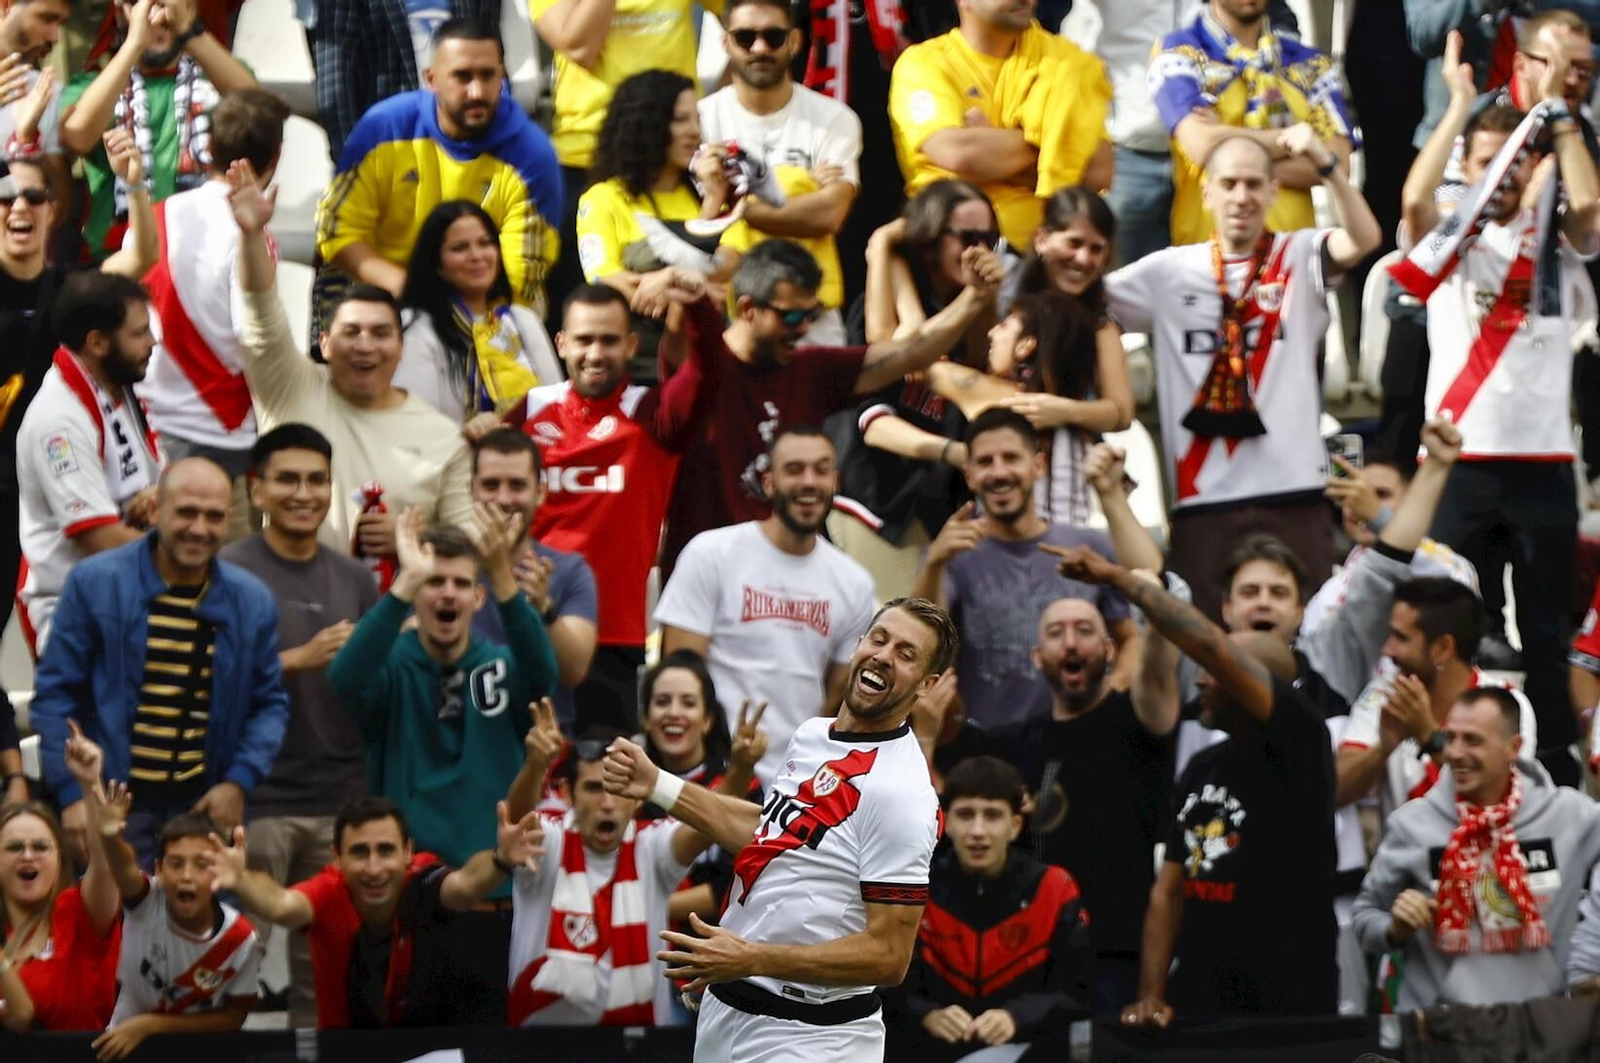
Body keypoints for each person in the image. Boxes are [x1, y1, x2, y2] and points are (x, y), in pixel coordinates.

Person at [600, 597, 959, 1061]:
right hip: (728, 1010)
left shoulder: (903, 793)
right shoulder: (813, 734)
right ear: (858, 645)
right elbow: (770, 834)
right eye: (879, 638)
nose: (884, 656)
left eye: (906, 654)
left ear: (927, 685)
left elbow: (890, 956)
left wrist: (753, 958)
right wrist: (658, 784)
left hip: (813, 1036)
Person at [1394, 32, 1600, 786]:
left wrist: (1562, 120)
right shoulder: (1450, 244)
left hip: (1543, 464)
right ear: (1468, 172)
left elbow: (1591, 209)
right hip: (1458, 465)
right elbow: (1415, 199)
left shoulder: (1561, 244)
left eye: (1515, 161)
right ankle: (1447, 772)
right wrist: (1454, 108)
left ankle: (1552, 776)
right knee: (1453, 635)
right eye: (1487, 164)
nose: (1502, 175)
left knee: (1545, 636)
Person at [1104, 126, 1383, 622]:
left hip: (1293, 494)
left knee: (1306, 644)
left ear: (1275, 191)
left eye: (1255, 184)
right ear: (1206, 191)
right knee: (1208, 651)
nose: (1242, 197)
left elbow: (1364, 238)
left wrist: (1326, 167)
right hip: (1203, 500)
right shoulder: (1168, 273)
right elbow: (1081, 303)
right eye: (1229, 183)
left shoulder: (1299, 255)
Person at [1049, 547, 1339, 1021]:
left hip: (1287, 1004)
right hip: (1200, 998)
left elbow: (1211, 646)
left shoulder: (1300, 741)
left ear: (1251, 682)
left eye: (1216, 672)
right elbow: (1169, 890)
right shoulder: (1202, 765)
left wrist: (1120, 579)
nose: (1200, 680)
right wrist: (1151, 994)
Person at [661, 236, 1005, 577]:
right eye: (792, 317)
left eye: (812, 314)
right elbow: (680, 346)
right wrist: (680, 293)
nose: (805, 328)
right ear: (749, 309)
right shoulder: (704, 367)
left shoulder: (811, 368)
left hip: (783, 582)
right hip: (703, 579)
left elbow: (913, 353)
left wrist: (974, 297)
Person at [31, 458, 289, 869]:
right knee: (113, 927)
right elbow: (55, 696)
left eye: (214, 517)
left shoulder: (251, 600)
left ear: (229, 519)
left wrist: (239, 782)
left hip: (202, 804)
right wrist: (72, 795)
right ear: (156, 511)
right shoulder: (96, 583)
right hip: (112, 801)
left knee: (206, 929)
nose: (199, 529)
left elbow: (269, 703)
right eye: (186, 511)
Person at [229, 158, 475, 564]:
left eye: (381, 334)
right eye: (351, 332)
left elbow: (467, 541)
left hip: (399, 616)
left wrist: (410, 541)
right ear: (324, 343)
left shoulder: (441, 437)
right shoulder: (291, 387)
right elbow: (261, 314)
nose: (365, 346)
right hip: (294, 609)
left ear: (401, 348)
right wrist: (252, 233)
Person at [219, 423, 379, 1028]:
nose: (303, 492)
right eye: (287, 479)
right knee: (230, 967)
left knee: (326, 977)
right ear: (256, 490)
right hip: (254, 806)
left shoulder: (356, 579)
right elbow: (200, 683)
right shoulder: (227, 573)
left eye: (316, 479)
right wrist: (295, 660)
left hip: (339, 801)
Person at [519, 279, 724, 732]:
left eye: (609, 340)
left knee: (603, 791)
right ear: (561, 343)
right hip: (524, 627)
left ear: (632, 344)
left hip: (612, 635)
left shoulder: (654, 413)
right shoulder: (530, 409)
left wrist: (697, 304)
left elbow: (709, 373)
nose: (595, 353)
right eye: (584, 340)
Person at [328, 507, 557, 875]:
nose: (448, 594)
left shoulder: (501, 666)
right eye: (433, 581)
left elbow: (543, 674)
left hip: (492, 876)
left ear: (479, 597)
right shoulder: (390, 664)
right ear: (415, 590)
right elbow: (345, 678)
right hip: (407, 881)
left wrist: (502, 576)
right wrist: (402, 587)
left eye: (462, 583)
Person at [1354, 688, 1600, 1010]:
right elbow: (1364, 916)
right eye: (1450, 738)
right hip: (1443, 1031)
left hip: (1540, 1031)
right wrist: (1393, 929)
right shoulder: (1412, 824)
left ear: (1513, 748)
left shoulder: (1570, 816)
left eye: (1473, 740)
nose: (1455, 753)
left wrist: (1589, 955)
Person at [656, 426, 877, 787]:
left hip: (796, 783)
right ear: (769, 482)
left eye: (821, 470)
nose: (809, 482)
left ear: (835, 481)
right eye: (794, 470)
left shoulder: (854, 583)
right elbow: (679, 673)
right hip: (710, 776)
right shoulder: (712, 553)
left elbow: (837, 702)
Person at [207, 794, 545, 1028]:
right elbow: (280, 904)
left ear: (407, 852)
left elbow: (467, 884)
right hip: (347, 1049)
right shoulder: (329, 892)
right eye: (359, 852)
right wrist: (240, 880)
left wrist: (500, 859)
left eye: (385, 850)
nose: (374, 868)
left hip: (427, 1044)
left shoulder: (423, 880)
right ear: (337, 857)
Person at [314, 17, 561, 331]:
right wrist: (411, 293)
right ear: (431, 79)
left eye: (488, 76)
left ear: (503, 77)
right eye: (462, 76)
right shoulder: (382, 128)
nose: (476, 91)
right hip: (387, 288)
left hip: (483, 302)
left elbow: (520, 278)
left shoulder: (532, 157)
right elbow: (337, 232)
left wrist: (448, 320)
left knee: (524, 315)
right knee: (333, 277)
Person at [1, 148, 155, 644]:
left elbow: (142, 257)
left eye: (32, 196)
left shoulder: (72, 290)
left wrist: (133, 185)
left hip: (44, 477)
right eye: (4, 197)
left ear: (53, 209)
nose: (18, 206)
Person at [503, 717, 746, 1026]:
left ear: (636, 798)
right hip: (538, 1045)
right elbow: (515, 824)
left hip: (638, 1045)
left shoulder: (652, 845)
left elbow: (711, 823)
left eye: (617, 789)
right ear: (567, 793)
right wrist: (536, 764)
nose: (606, 803)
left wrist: (740, 770)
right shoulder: (549, 841)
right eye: (593, 788)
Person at [913, 409, 1138, 731]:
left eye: (1011, 458)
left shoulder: (1089, 545)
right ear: (969, 475)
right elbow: (924, 644)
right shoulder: (951, 553)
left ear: (1038, 466)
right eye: (985, 462)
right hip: (990, 748)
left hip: (1081, 735)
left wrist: (1111, 695)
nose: (999, 472)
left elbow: (1130, 638)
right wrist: (934, 563)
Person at [136, 86, 290, 544]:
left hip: (151, 433)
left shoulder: (156, 217)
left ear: (208, 149)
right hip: (223, 441)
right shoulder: (253, 236)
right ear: (276, 156)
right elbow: (254, 337)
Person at [886, 756, 1090, 1062]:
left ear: (1015, 825)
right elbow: (883, 983)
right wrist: (927, 1014)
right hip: (928, 1049)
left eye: (992, 815)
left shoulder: (1054, 888)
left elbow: (1080, 990)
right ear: (946, 822)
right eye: (965, 815)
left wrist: (1016, 1017)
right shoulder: (916, 886)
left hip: (1029, 1048)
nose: (978, 831)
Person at [69, 732, 259, 1057]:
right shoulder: (147, 901)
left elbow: (233, 1016)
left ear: (220, 871)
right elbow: (124, 866)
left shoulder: (241, 939)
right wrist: (110, 837)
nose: (186, 876)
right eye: (176, 863)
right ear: (158, 869)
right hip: (121, 1051)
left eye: (202, 864)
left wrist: (152, 1025)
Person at [533, 0, 722, 322]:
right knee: (584, 311)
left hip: (673, 158)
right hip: (583, 158)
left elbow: (750, 17)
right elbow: (578, 46)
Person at [699, 0, 864, 347]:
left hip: (812, 317)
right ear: (726, 43)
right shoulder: (700, 120)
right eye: (745, 37)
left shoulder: (833, 118)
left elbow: (829, 215)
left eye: (773, 36)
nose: (760, 48)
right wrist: (804, 197)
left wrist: (737, 205)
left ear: (795, 41)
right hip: (729, 312)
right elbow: (697, 222)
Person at [889, 0, 1113, 249]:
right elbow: (958, 154)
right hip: (952, 255)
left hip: (1046, 261)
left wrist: (991, 144)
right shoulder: (923, 64)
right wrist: (1060, 149)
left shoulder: (1066, 63)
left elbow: (1097, 171)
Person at [576, 68, 745, 374]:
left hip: (711, 364)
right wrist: (691, 290)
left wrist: (710, 203)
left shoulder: (716, 194)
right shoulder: (602, 199)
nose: (694, 131)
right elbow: (607, 282)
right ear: (645, 124)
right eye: (680, 120)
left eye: (696, 119)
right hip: (636, 368)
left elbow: (729, 264)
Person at [59, 0, 256, 261]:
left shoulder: (220, 78)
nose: (157, 17)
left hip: (206, 255)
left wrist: (189, 30)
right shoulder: (93, 85)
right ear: (119, 11)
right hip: (118, 257)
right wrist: (133, 44)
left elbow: (260, 117)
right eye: (139, 4)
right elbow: (76, 136)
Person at [1150, 0, 1358, 246]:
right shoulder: (1180, 53)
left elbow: (1338, 164)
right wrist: (1300, 141)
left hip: (1291, 256)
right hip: (1207, 253)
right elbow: (1201, 144)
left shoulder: (1312, 64)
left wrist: (1225, 148)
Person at [935, 284, 1134, 526]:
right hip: (1072, 553)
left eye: (1004, 324)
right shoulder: (1082, 420)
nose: (992, 332)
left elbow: (910, 352)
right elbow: (1120, 414)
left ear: (1025, 345)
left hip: (1006, 552)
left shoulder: (1001, 397)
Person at [1337, 578, 1537, 814]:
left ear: (1443, 648)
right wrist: (1383, 749)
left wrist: (1429, 736)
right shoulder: (1387, 691)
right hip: (1402, 849)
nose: (1387, 649)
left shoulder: (1506, 704)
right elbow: (1336, 791)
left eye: (1401, 638)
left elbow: (1499, 801)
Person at [468, 428, 598, 731]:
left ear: (540, 493)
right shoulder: (442, 566)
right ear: (471, 489)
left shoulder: (569, 570)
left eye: (517, 486)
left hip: (542, 746)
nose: (503, 498)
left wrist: (545, 610)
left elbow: (574, 671)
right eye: (490, 485)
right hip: (462, 741)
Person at [396, 200, 561, 427]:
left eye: (485, 243)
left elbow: (556, 404)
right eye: (460, 248)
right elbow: (419, 422)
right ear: (436, 261)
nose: (477, 256)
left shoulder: (523, 319)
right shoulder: (416, 327)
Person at [0, 731, 123, 1031]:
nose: (28, 856)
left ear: (60, 858)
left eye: (41, 847)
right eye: (14, 847)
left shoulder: (77, 914)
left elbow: (105, 869)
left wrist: (89, 783)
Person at [636, 650, 765, 926]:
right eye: (661, 702)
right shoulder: (630, 791)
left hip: (713, 950)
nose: (674, 713)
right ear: (645, 718)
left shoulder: (745, 786)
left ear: (708, 719)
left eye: (688, 703)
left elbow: (739, 884)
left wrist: (638, 905)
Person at [1307, 448, 1478, 638]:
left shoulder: (1452, 567)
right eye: (1354, 496)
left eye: (1381, 494)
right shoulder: (1327, 597)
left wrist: (1380, 519)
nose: (1363, 506)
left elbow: (1454, 587)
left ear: (1412, 502)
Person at [308, 0, 501, 162]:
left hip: (466, 147)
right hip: (390, 148)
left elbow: (492, 60)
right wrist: (352, 159)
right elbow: (333, 76)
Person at [0, 0, 72, 166]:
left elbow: (60, 190)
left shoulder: (43, 91)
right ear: (5, 6)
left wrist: (27, 140)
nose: (55, 37)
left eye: (60, 23)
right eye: (46, 19)